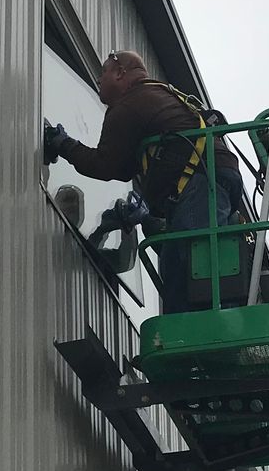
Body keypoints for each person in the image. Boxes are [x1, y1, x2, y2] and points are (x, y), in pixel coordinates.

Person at [43, 50, 245, 313]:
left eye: (103, 72)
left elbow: (104, 165)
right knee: (180, 260)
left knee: (192, 264)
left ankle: (197, 329)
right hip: (214, 178)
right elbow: (124, 169)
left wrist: (63, 144)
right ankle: (189, 329)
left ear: (120, 73)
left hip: (201, 182)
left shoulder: (130, 104)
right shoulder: (157, 97)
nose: (98, 79)